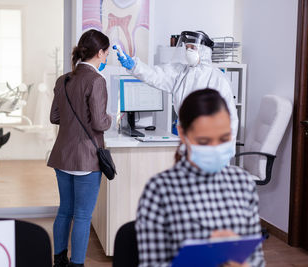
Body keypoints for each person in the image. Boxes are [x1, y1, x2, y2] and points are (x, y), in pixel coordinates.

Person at [135, 89, 265, 267]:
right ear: (183, 134)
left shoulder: (243, 183)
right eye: (204, 141)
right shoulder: (160, 189)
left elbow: (257, 260)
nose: (215, 147)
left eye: (224, 138)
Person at [47, 29, 112, 267]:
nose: (107, 57)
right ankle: (77, 264)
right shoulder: (96, 80)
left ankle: (59, 260)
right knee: (83, 216)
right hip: (86, 159)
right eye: (106, 52)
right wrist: (113, 118)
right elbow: (99, 122)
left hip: (62, 157)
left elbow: (54, 117)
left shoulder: (63, 79)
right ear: (99, 52)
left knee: (65, 211)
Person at [117, 30, 239, 140]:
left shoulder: (217, 79)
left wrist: (225, 150)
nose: (189, 51)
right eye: (187, 48)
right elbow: (155, 75)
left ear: (204, 51)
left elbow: (230, 118)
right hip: (185, 137)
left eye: (193, 47)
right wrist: (135, 66)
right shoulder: (181, 73)